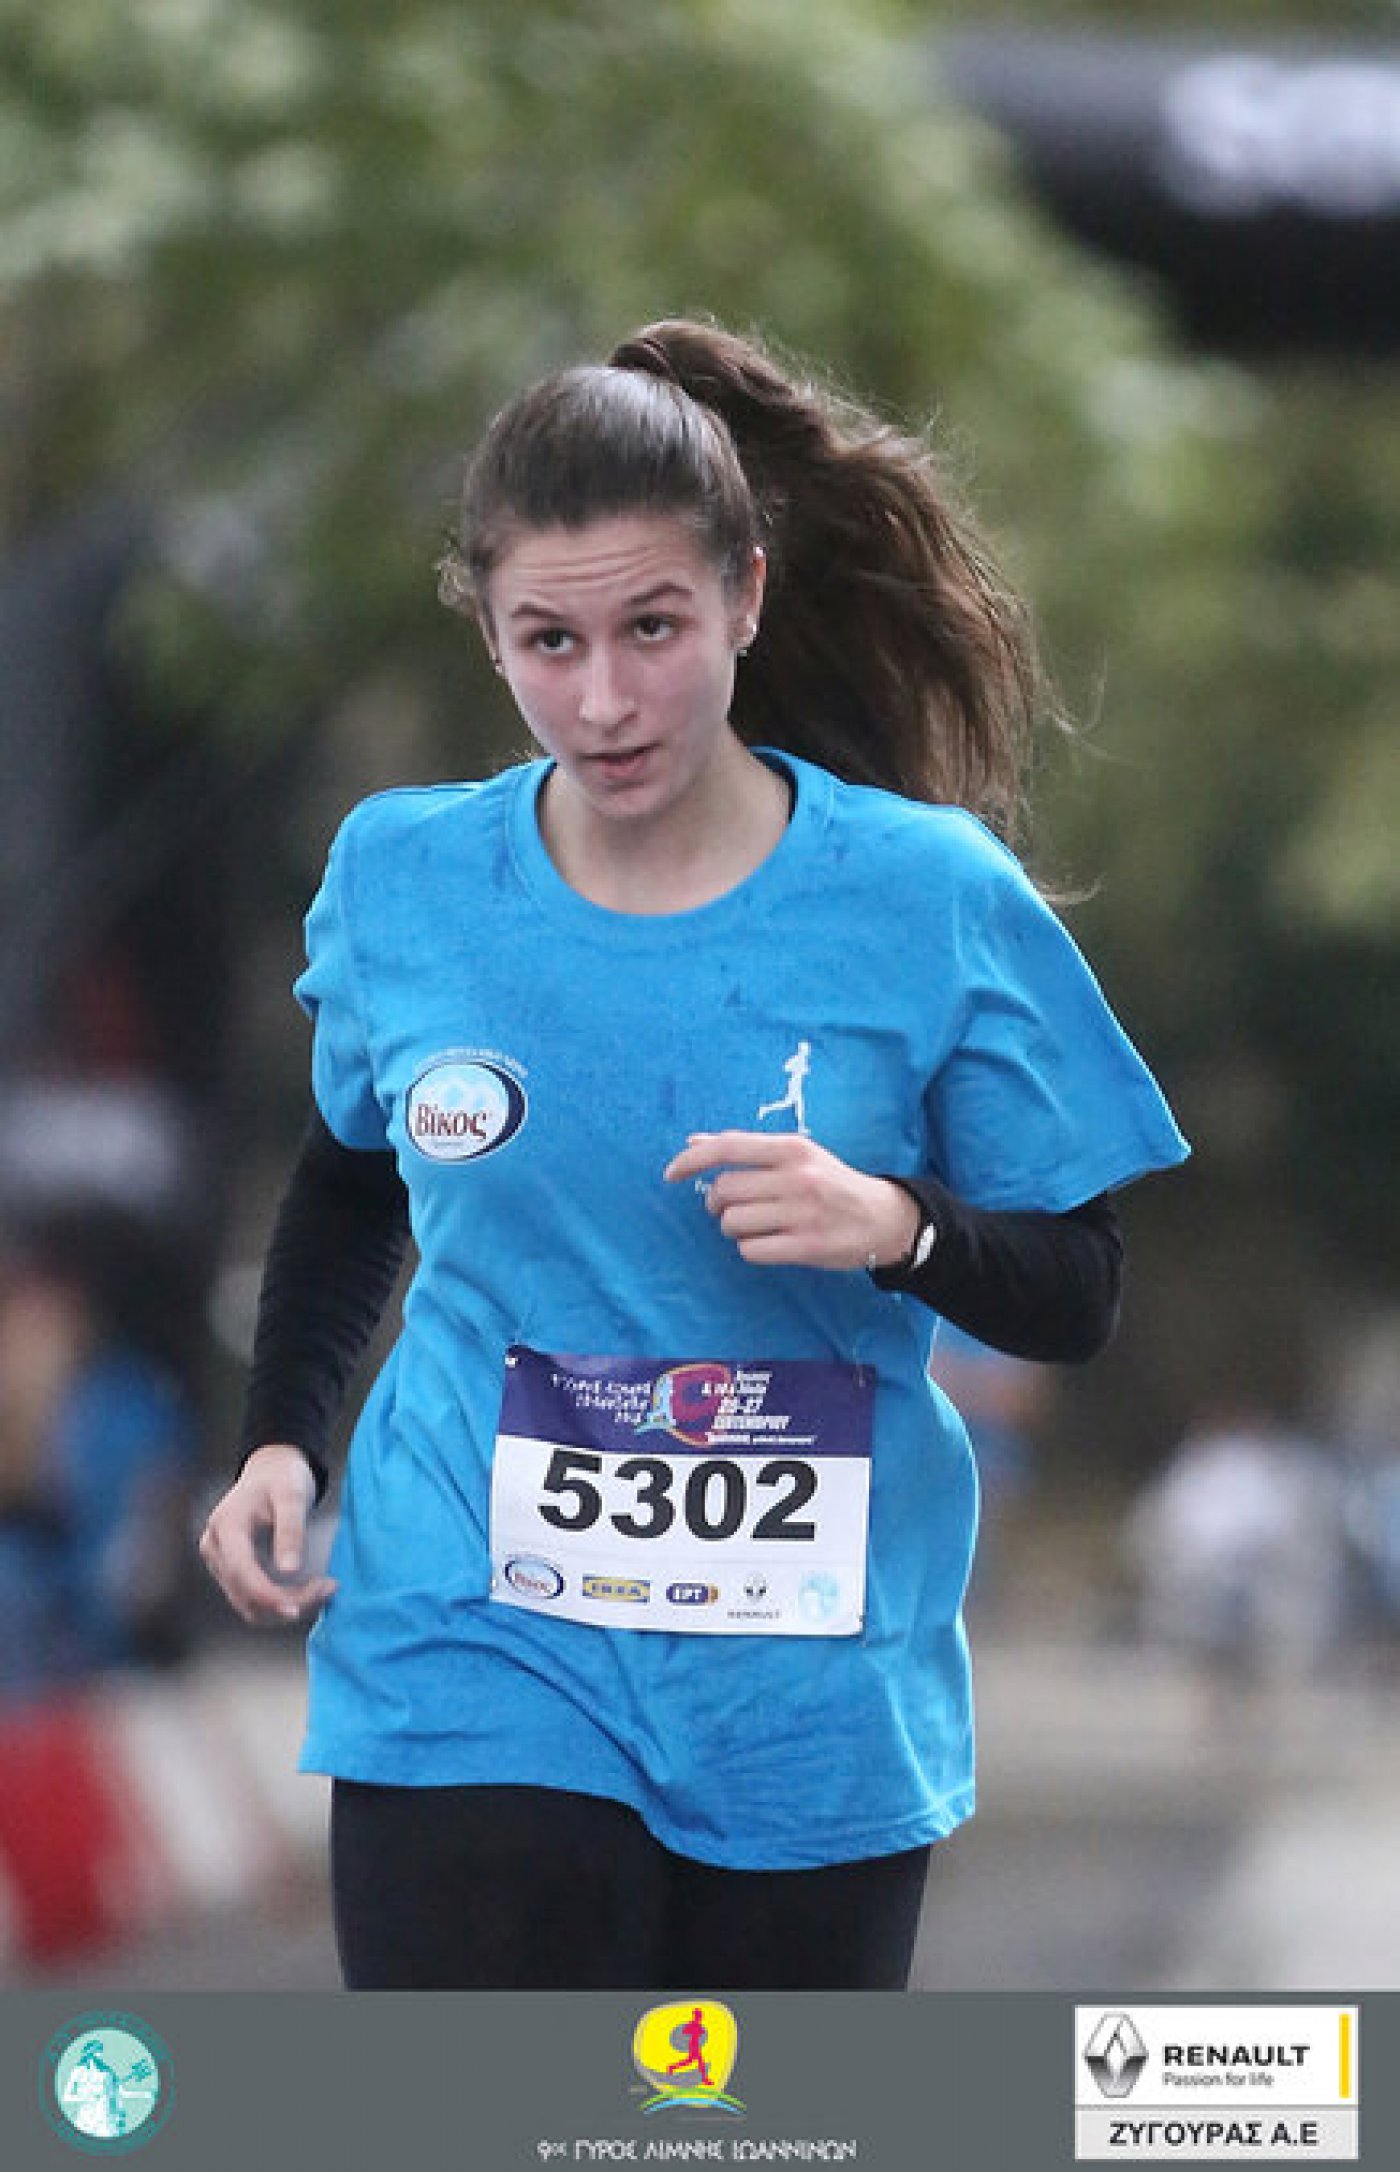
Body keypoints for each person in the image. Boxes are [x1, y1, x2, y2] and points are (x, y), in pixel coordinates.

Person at [199, 317, 1188, 1990]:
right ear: (490, 635)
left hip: (807, 1696)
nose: (603, 699)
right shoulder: (405, 881)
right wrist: (283, 1440)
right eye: (549, 640)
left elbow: (1078, 1288)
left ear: (745, 595)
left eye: (652, 627)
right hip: (473, 1642)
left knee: (732, 2116)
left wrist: (900, 1226)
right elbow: (356, 1175)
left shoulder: (928, 897)